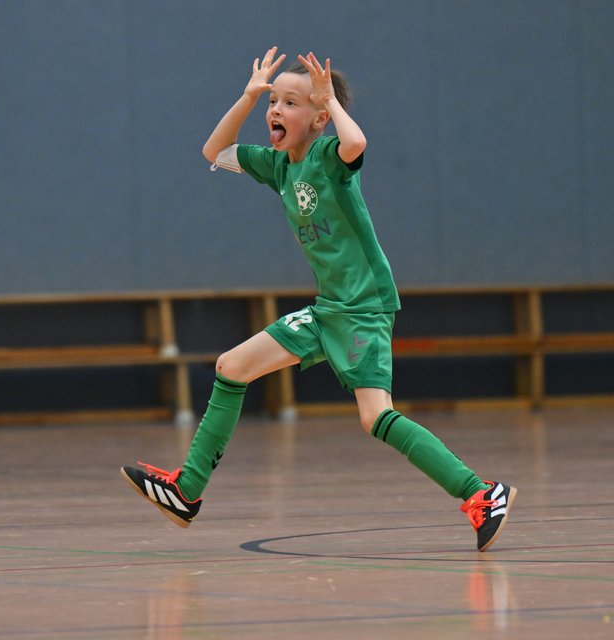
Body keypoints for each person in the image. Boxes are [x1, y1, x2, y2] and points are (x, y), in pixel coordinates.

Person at [121, 47, 516, 552]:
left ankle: (481, 493)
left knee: (376, 418)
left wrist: (331, 101)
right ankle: (186, 491)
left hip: (364, 308)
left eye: (291, 103)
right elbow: (214, 151)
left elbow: (357, 142)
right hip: (329, 309)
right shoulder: (279, 166)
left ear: (319, 118)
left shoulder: (330, 157)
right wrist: (247, 97)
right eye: (275, 102)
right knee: (231, 367)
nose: (276, 110)